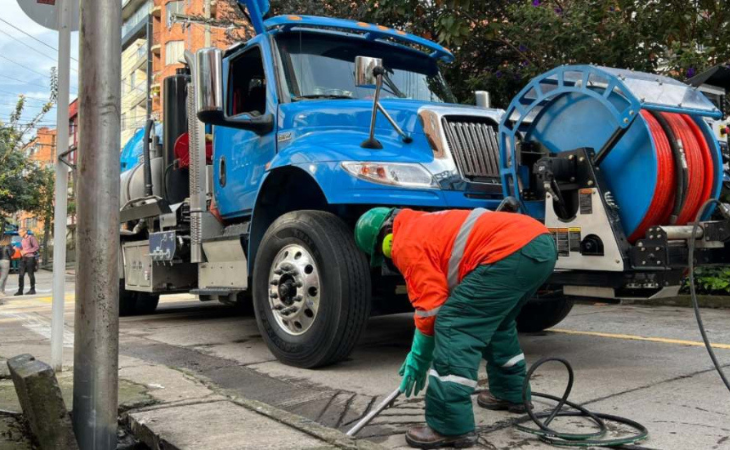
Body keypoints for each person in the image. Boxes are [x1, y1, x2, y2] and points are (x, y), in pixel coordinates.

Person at [355, 207, 557, 449]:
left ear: (387, 235)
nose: (388, 256)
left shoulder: (405, 241)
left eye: (382, 251)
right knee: (496, 324)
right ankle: (511, 393)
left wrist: (419, 357)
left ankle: (448, 426)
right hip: (540, 245)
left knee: (454, 324)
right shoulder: (424, 221)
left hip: (510, 251)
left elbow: (431, 311)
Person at [15, 228, 39, 296]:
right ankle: (20, 291)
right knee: (21, 275)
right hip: (23, 258)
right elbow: (22, 248)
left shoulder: (31, 238)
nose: (19, 234)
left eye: (20, 232)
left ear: (25, 231)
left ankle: (32, 290)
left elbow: (36, 247)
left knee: (30, 274)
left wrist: (26, 251)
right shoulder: (22, 239)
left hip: (30, 258)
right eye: (18, 232)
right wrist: (18, 248)